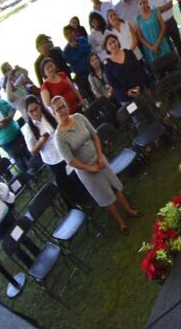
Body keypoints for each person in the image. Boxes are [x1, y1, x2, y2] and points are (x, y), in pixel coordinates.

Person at [53, 96, 139, 235]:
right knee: (104, 196)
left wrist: (99, 156)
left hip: (99, 159)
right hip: (86, 171)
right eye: (58, 109)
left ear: (67, 106)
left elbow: (94, 135)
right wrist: (90, 168)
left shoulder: (79, 117)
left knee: (114, 186)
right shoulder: (59, 137)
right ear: (54, 113)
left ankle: (129, 210)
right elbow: (70, 161)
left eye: (63, 106)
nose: (62, 110)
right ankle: (120, 222)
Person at [22, 95, 89, 208]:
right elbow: (32, 151)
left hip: (64, 150)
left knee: (76, 174)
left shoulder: (48, 112)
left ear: (40, 106)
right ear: (27, 113)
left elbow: (61, 124)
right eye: (31, 111)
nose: (34, 113)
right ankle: (75, 205)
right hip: (52, 159)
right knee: (64, 185)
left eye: (36, 109)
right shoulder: (28, 128)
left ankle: (86, 197)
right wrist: (41, 141)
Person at [61, 24, 94, 103]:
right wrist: (79, 53)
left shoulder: (82, 40)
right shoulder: (66, 50)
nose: (69, 35)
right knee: (89, 96)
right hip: (80, 76)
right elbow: (72, 61)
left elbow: (88, 50)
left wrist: (78, 46)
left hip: (91, 70)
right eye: (66, 34)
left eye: (70, 32)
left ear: (74, 32)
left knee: (97, 91)